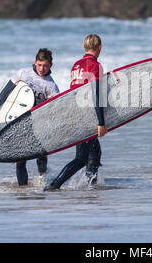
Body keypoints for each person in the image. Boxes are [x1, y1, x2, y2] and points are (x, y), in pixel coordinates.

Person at [0, 48, 60, 185]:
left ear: (50, 66)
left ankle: (42, 182)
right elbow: (5, 93)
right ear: (35, 62)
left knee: (41, 157)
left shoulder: (51, 85)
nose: (42, 68)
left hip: (39, 123)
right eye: (40, 65)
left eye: (46, 66)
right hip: (20, 121)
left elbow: (52, 110)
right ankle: (22, 190)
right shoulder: (23, 73)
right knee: (20, 160)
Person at [45, 34, 107, 191]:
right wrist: (101, 122)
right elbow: (96, 94)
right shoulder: (95, 65)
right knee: (81, 158)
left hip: (74, 112)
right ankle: (54, 185)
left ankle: (90, 187)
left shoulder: (76, 65)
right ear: (99, 47)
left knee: (94, 152)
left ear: (84, 47)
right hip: (86, 116)